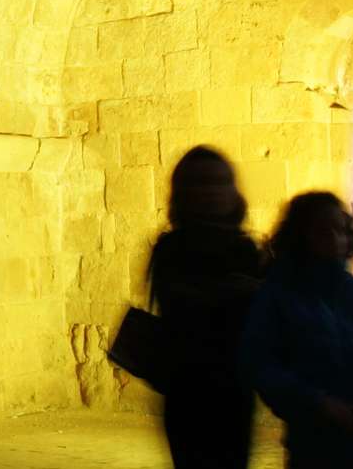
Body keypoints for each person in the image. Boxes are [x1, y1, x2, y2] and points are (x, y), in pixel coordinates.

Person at [241, 191, 353, 469]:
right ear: (302, 237)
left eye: (340, 230)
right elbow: (262, 364)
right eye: (323, 231)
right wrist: (317, 402)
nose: (335, 239)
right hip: (312, 443)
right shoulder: (279, 297)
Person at [148, 146, 263, 469]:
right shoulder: (172, 248)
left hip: (235, 387)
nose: (212, 191)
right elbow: (179, 306)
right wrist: (234, 291)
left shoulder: (245, 248)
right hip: (189, 387)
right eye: (201, 183)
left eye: (220, 182)